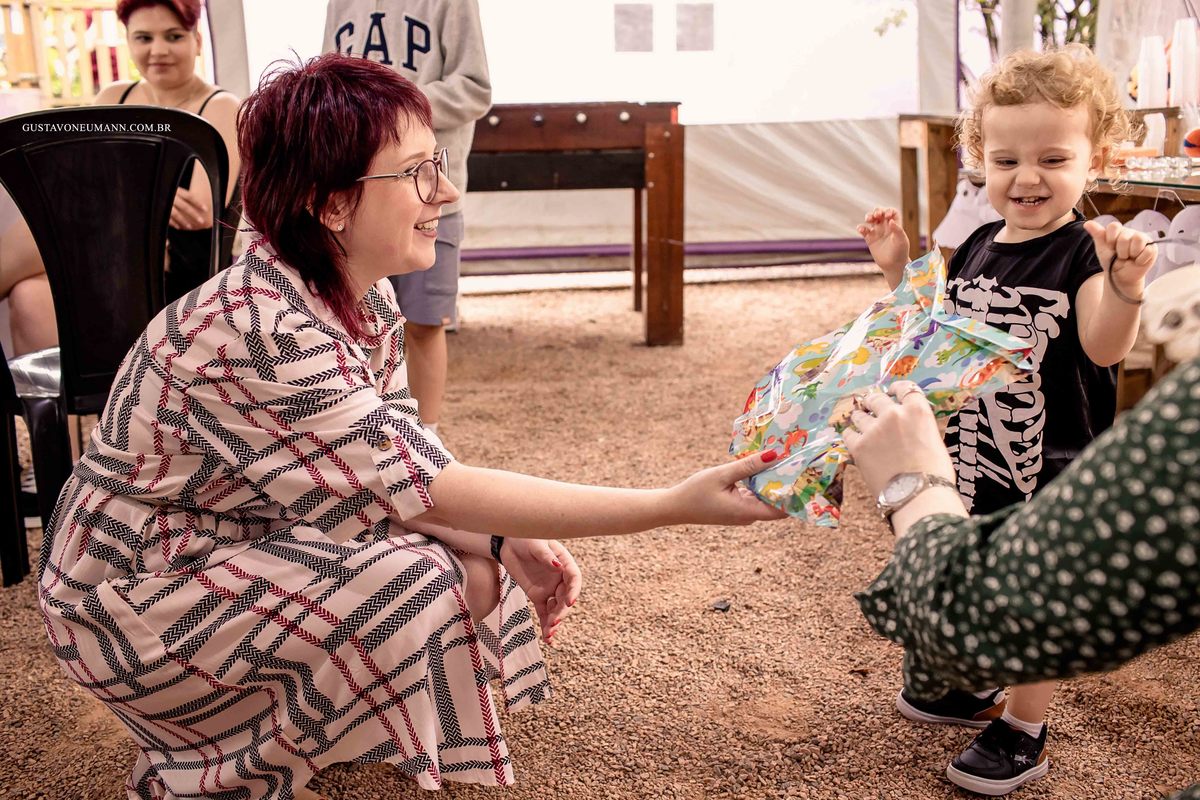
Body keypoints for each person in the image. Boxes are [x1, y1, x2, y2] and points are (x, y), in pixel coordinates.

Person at [37, 54, 784, 800]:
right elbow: (427, 489)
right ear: (330, 205)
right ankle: (215, 763)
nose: (446, 192)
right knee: (421, 581)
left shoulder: (359, 295)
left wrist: (497, 535)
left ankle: (316, 723)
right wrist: (672, 506)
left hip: (230, 532)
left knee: (479, 570)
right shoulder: (262, 329)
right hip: (126, 593)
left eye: (440, 165)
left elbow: (404, 466)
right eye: (419, 173)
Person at [856, 45, 1157, 795]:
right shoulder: (978, 246)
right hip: (967, 453)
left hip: (1053, 465)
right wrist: (898, 268)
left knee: (1035, 597)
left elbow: (1102, 345)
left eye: (1054, 157)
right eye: (1006, 159)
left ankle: (1025, 728)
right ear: (978, 161)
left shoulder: (1082, 257)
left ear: (1098, 160)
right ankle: (969, 687)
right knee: (974, 570)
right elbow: (934, 328)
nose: (1027, 177)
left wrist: (1124, 289)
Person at [843, 364, 1200, 800]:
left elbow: (999, 603)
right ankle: (976, 691)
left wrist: (911, 485)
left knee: (1042, 573)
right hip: (980, 434)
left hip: (1051, 444)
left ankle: (1022, 727)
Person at [323, 0, 490, 435]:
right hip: (360, 196)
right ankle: (362, 428)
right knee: (350, 315)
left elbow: (475, 86)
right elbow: (325, 82)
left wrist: (391, 112)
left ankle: (426, 436)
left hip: (429, 196)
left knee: (424, 321)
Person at [96, 0, 242, 301]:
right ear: (128, 42)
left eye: (173, 36)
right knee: (29, 294)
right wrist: (159, 197)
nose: (158, 50)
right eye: (144, 38)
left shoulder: (222, 106)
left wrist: (114, 191)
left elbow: (199, 212)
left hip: (186, 269)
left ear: (197, 41)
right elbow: (79, 184)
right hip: (112, 249)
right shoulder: (113, 97)